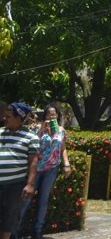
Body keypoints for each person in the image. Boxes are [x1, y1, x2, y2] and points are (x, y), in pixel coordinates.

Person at [18, 105, 70, 239]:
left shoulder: (61, 130)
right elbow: (32, 144)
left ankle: (37, 232)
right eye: (49, 115)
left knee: (43, 201)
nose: (51, 117)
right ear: (45, 116)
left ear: (57, 116)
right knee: (26, 200)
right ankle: (15, 231)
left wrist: (66, 164)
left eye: (54, 115)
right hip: (36, 169)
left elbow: (62, 148)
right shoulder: (37, 128)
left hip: (51, 169)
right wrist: (41, 131)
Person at [0, 102, 40, 239]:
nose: (4, 118)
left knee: (8, 218)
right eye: (4, 116)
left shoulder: (31, 137)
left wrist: (30, 184)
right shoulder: (0, 132)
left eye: (8, 116)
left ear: (19, 118)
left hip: (14, 184)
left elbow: (33, 163)